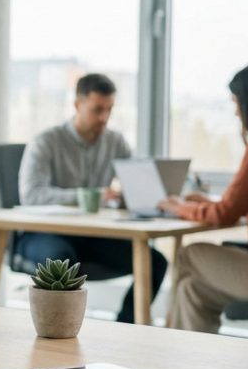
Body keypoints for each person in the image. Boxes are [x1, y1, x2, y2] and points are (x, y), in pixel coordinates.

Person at [16, 73, 167, 323]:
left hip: (93, 235)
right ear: (77, 104)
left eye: (109, 110)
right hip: (44, 232)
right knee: (62, 262)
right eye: (97, 110)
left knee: (155, 262)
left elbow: (136, 183)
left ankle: (125, 327)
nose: (104, 118)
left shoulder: (115, 142)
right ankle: (61, 332)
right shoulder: (46, 142)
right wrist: (89, 197)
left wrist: (133, 195)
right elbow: (31, 195)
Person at [159, 61, 248, 333]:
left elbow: (226, 214)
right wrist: (205, 204)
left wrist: (179, 207)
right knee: (193, 289)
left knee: (190, 254)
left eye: (237, 103)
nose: (236, 113)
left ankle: (163, 349)